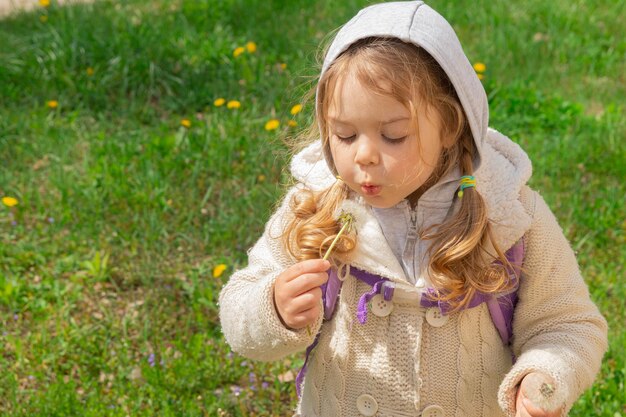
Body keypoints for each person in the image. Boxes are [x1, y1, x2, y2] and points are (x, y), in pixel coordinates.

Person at [219, 1, 608, 416]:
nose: (364, 156)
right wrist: (274, 308)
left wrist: (545, 375)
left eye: (394, 135)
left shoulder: (509, 215)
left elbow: (567, 324)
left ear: (450, 126)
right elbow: (238, 306)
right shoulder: (317, 209)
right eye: (345, 134)